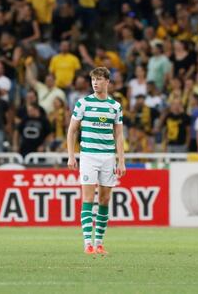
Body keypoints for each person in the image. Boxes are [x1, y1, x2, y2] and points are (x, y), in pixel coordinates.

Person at [66, 66, 126, 255]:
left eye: (99, 79)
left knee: (105, 199)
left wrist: (121, 161)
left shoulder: (115, 106)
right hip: (88, 156)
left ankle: (99, 242)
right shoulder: (83, 103)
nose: (95, 83)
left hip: (108, 157)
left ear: (107, 82)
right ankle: (87, 244)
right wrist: (71, 155)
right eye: (93, 79)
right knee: (88, 198)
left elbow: (118, 134)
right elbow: (72, 130)